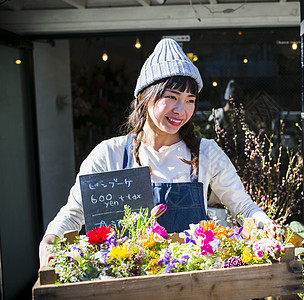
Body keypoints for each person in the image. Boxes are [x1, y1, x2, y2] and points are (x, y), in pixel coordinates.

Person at [39, 38, 271, 267]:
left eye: (190, 100)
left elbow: (243, 207)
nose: (181, 110)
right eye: (171, 97)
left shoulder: (206, 152)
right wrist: (50, 240)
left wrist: (266, 225)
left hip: (192, 282)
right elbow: (74, 214)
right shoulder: (109, 154)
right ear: (144, 97)